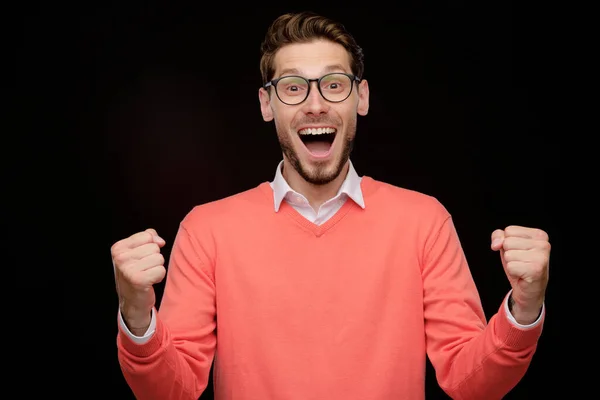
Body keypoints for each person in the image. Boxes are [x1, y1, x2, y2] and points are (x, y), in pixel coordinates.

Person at [112, 11, 550, 400]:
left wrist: (524, 308)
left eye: (334, 85)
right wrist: (136, 313)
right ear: (267, 104)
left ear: (361, 98)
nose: (315, 104)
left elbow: (470, 382)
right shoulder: (207, 230)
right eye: (293, 87)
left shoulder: (424, 222)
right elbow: (172, 391)